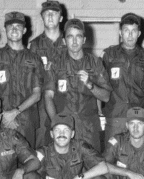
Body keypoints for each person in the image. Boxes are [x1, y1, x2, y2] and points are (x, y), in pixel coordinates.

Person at [45, 18, 111, 151]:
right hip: (64, 127)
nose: (74, 41)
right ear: (64, 41)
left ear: (84, 40)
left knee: (92, 167)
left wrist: (90, 84)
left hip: (89, 128)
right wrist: (57, 124)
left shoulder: (95, 63)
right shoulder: (55, 64)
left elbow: (106, 96)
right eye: (70, 37)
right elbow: (48, 96)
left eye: (78, 37)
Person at [0, 12, 44, 147]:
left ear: (25, 30)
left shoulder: (34, 59)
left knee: (27, 163)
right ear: (5, 30)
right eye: (11, 26)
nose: (14, 29)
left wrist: (15, 111)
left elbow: (37, 94)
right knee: (1, 164)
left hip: (26, 121)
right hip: (1, 121)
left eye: (18, 26)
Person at [102, 13, 144, 140]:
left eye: (134, 31)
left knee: (139, 157)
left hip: (138, 118)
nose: (130, 35)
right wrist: (99, 112)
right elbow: (100, 85)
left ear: (139, 33)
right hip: (115, 117)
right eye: (126, 30)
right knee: (111, 157)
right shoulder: (108, 55)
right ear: (120, 32)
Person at [29, 0, 68, 147]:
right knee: (41, 145)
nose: (50, 17)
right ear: (42, 18)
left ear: (61, 18)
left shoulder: (70, 41)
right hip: (41, 106)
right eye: (47, 14)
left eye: (54, 13)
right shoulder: (34, 45)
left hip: (67, 101)